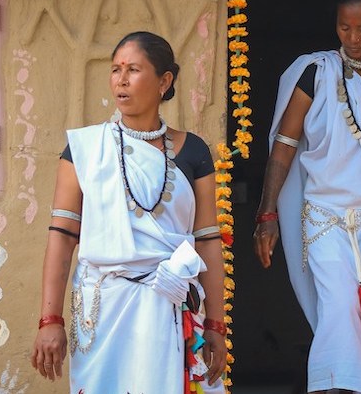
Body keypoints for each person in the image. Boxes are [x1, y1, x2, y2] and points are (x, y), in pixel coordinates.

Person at [32, 31, 227, 394]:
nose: (120, 80)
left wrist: (216, 324)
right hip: (102, 308)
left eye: (133, 69)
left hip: (169, 305)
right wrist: (50, 319)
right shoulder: (85, 149)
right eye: (116, 69)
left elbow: (208, 241)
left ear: (164, 81)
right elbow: (61, 236)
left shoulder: (194, 151)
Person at [253, 0, 361, 394]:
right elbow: (285, 144)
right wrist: (267, 213)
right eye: (344, 28)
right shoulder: (317, 71)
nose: (352, 38)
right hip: (326, 219)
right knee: (341, 313)